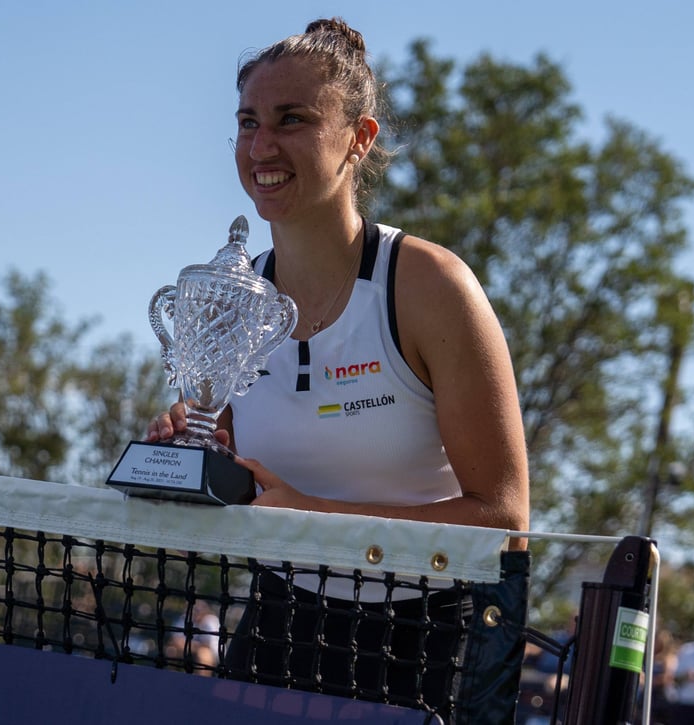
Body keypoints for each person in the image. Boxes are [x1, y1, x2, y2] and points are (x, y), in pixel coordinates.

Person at [145, 17, 529, 711]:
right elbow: (236, 466)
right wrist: (187, 452)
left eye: (292, 119)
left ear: (359, 138)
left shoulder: (430, 286)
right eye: (248, 121)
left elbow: (504, 516)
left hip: (429, 635)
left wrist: (317, 516)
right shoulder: (234, 296)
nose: (262, 145)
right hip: (281, 619)